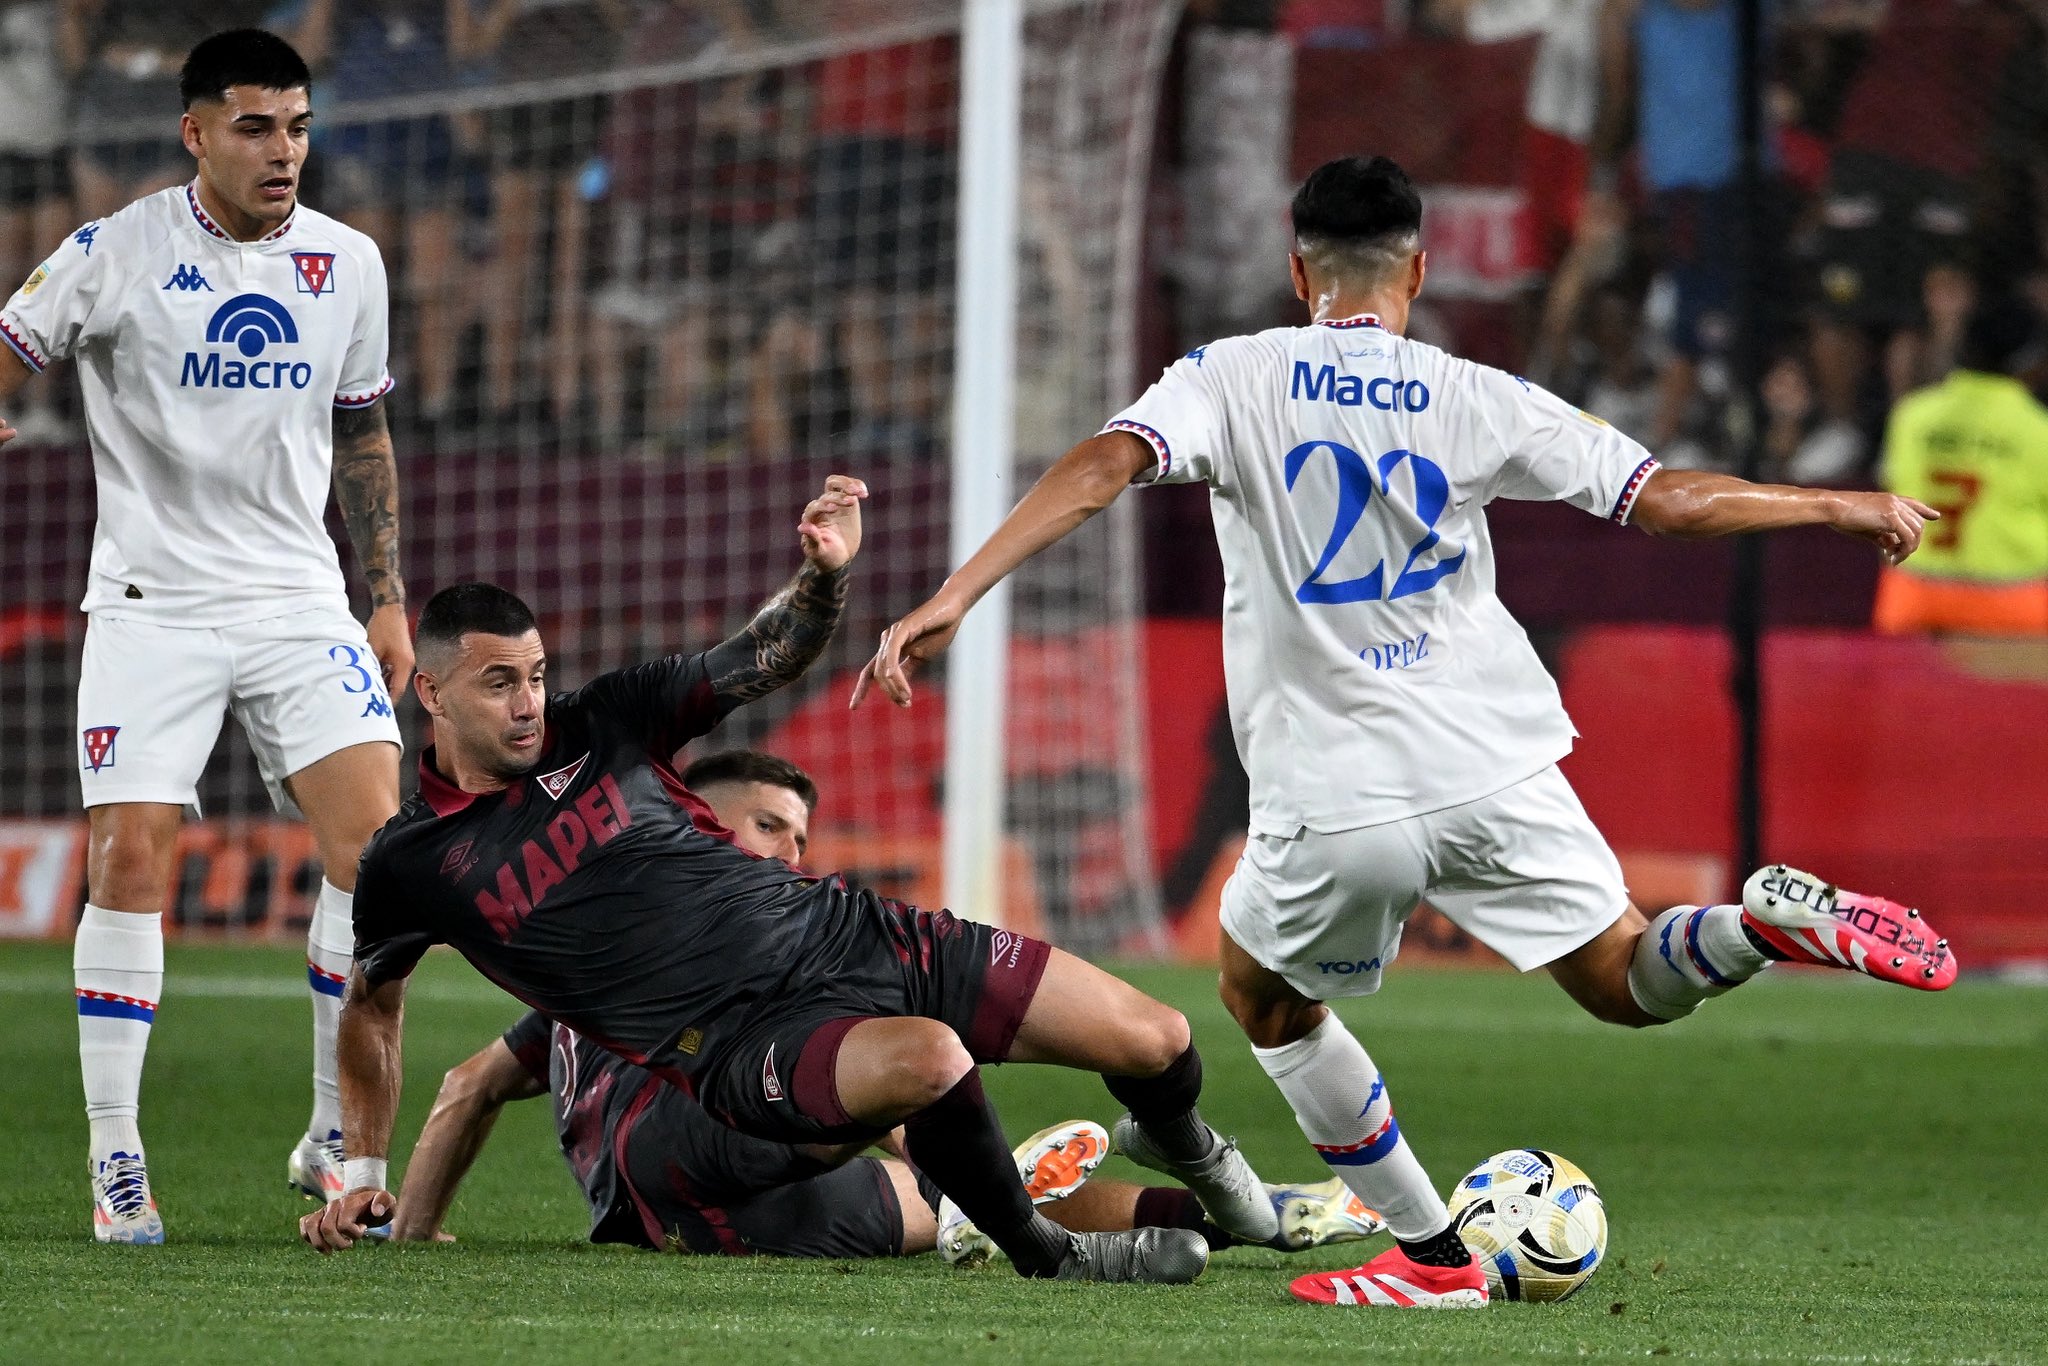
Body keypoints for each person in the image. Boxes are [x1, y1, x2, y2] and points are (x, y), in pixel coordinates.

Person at [855, 155, 1958, 1309]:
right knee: (1629, 977)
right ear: (1418, 271)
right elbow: (1663, 500)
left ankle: (1433, 1258)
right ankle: (1757, 924)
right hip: (1493, 760)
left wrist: (955, 594)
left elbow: (1103, 467)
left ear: (1297, 270)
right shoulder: (1475, 390)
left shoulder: (1229, 375)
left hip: (1340, 790)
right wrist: (1836, 503)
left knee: (1261, 998)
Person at [300, 482, 1280, 1287]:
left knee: (1155, 1037)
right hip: (741, 1040)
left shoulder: (604, 719)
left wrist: (821, 581)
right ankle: (1043, 1253)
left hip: (857, 934)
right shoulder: (411, 862)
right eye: (499, 684)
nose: (528, 705)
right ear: (430, 693)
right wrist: (367, 1175)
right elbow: (372, 1009)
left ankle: (1192, 1155)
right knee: (931, 1063)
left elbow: (761, 659)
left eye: (535, 674)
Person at [380, 748, 1385, 1263]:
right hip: (674, 1171)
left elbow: (472, 1085)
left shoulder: (626, 955)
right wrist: (407, 1226)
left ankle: (1226, 1214)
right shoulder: (628, 945)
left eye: (801, 835)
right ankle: (1046, 1224)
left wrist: (415, 1231)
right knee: (931, 1144)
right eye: (767, 826)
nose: (790, 850)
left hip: (760, 1184)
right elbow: (470, 1082)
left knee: (950, 1193)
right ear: (695, 822)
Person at [0, 29, 409, 1245]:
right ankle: (115, 1157)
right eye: (253, 126)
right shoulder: (111, 250)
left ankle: (332, 1130)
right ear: (196, 133)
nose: (282, 151)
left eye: (295, 126)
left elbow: (364, 434)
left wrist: (384, 594)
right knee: (133, 860)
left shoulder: (351, 263)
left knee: (378, 856)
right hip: (152, 606)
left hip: (298, 601)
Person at [1873, 303, 2048, 636]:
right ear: (2031, 361)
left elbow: (1886, 498)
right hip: (2014, 612)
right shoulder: (2040, 431)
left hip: (1914, 602)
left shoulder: (1911, 416)